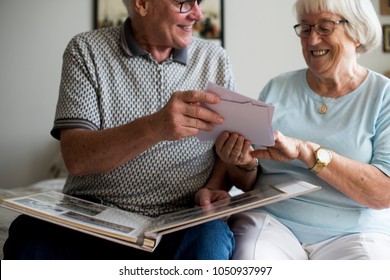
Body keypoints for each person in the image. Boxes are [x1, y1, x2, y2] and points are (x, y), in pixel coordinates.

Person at [3, 0, 236, 260]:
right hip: (94, 219)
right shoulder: (86, 50)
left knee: (210, 239)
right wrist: (155, 127)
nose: (198, 14)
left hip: (180, 220)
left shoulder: (215, 59)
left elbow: (224, 149)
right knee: (29, 234)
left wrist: (214, 186)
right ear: (142, 4)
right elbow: (76, 158)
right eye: (183, 3)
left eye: (199, 2)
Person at [215, 0, 390, 259]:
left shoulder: (383, 96)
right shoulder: (277, 88)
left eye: (325, 27)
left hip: (354, 232)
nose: (312, 40)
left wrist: (307, 152)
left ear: (357, 31)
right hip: (273, 223)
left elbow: (383, 193)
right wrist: (242, 163)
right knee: (251, 258)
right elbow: (248, 180)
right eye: (305, 29)